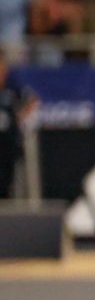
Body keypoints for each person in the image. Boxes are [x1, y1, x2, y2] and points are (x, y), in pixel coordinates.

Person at [0, 47, 34, 203]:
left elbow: (32, 100)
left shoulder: (12, 86)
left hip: (9, 144)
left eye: (3, 65)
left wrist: (18, 118)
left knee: (8, 181)